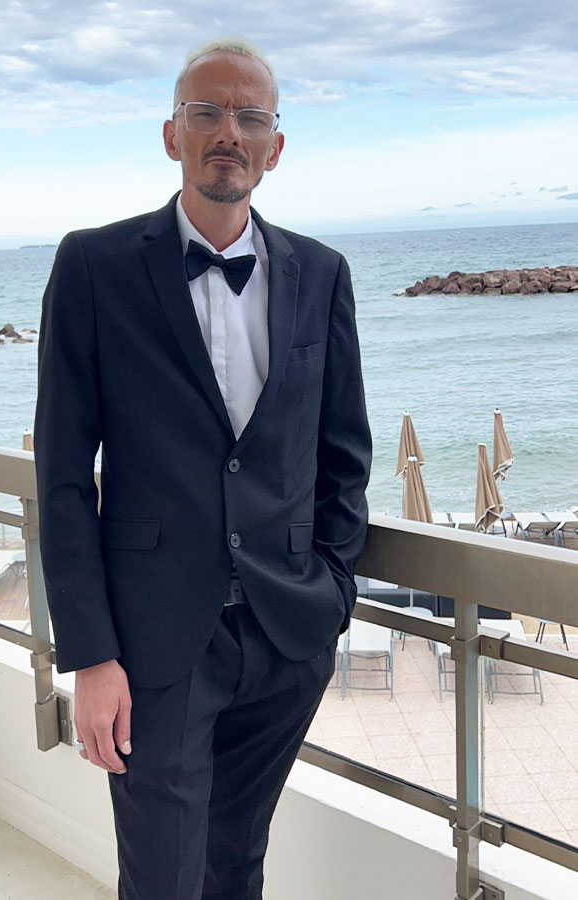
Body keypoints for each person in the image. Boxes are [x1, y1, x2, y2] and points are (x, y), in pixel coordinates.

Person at [33, 36, 371, 900]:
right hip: (153, 647)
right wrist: (92, 654)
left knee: (236, 860)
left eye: (250, 116)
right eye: (207, 112)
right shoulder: (93, 266)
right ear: (171, 133)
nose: (229, 131)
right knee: (162, 877)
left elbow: (343, 453)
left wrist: (331, 590)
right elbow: (64, 478)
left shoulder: (323, 275)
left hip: (286, 635)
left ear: (275, 146)